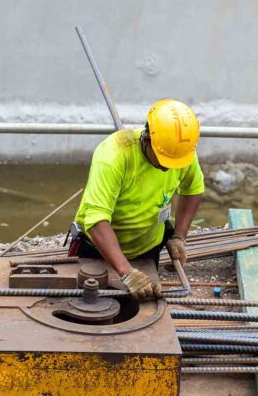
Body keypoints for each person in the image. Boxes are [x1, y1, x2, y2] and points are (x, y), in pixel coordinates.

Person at [70, 99, 204, 300]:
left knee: (144, 313)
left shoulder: (178, 152)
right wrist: (127, 272)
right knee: (89, 310)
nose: (168, 167)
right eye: (163, 159)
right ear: (147, 138)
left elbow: (193, 189)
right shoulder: (114, 155)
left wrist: (179, 236)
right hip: (99, 249)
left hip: (147, 248)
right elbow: (96, 219)